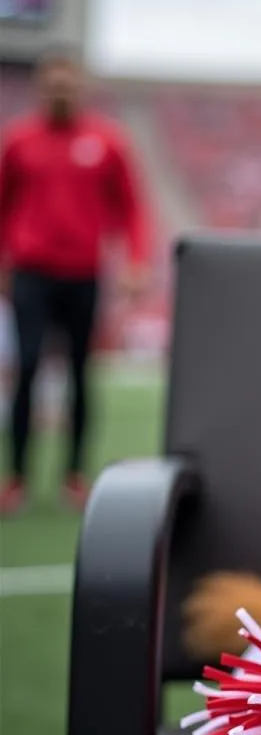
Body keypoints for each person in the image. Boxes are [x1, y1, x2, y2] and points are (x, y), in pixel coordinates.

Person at [0, 47, 149, 515]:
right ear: (42, 87)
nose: (61, 91)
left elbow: (131, 208)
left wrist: (135, 260)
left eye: (69, 83)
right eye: (53, 84)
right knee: (26, 367)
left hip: (84, 275)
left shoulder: (107, 142)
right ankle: (18, 476)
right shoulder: (18, 142)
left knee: (82, 375)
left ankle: (75, 476)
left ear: (81, 86)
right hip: (31, 274)